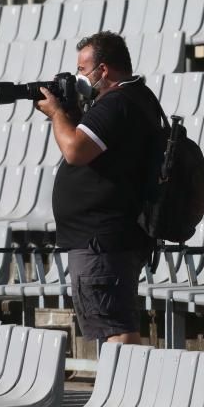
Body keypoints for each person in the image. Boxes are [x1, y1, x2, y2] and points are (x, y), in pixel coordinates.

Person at [35, 31, 161, 345]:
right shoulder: (133, 98)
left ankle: (124, 393)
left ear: (102, 70)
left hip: (103, 241)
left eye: (82, 70)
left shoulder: (117, 102)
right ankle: (121, 391)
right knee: (113, 325)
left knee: (115, 328)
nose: (80, 77)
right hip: (108, 237)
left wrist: (56, 114)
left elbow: (75, 150)